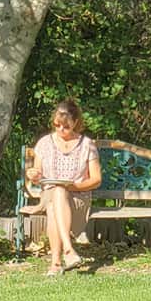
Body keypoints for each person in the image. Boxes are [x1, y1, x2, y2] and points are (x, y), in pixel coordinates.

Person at [25, 99, 102, 276]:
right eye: (57, 125)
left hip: (77, 197)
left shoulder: (87, 144)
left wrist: (75, 186)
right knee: (57, 192)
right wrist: (33, 174)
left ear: (75, 123)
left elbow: (97, 179)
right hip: (49, 194)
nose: (60, 130)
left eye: (65, 127)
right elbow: (37, 173)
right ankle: (68, 249)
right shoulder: (45, 143)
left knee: (56, 200)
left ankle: (56, 264)